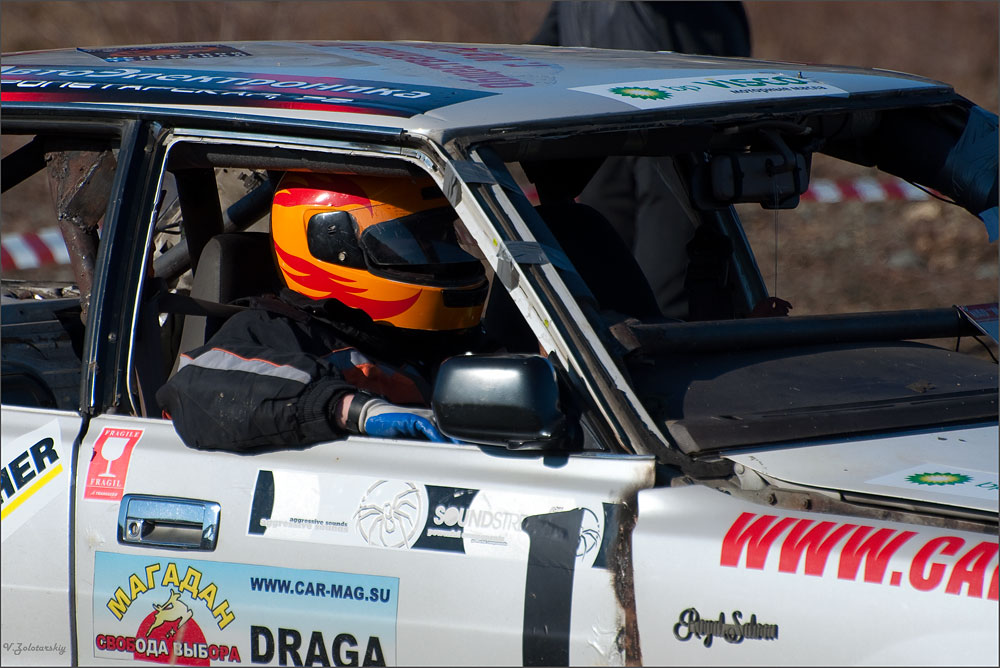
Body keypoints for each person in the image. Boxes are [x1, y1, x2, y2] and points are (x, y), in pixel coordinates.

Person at [156, 171, 490, 451]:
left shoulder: (420, 337)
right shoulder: (271, 329)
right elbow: (195, 386)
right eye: (410, 245)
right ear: (332, 246)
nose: (435, 255)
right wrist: (347, 407)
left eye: (440, 239)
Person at [531, 1, 752, 319]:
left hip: (672, 126)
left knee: (668, 288)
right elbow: (556, 30)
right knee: (604, 284)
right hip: (598, 125)